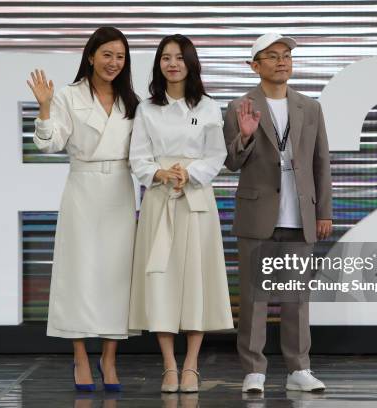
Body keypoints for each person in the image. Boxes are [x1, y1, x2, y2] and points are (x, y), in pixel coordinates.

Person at [26, 26, 140, 392]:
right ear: (91, 56)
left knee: (116, 277)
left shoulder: (132, 101)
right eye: (107, 54)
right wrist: (44, 109)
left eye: (120, 56)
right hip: (83, 190)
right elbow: (49, 144)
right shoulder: (67, 96)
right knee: (79, 274)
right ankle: (79, 356)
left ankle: (108, 358)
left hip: (120, 192)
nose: (113, 62)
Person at [223, 33, 333, 393]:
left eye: (286, 55)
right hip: (258, 215)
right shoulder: (240, 105)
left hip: (300, 215)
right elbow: (232, 162)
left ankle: (298, 368)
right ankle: (254, 370)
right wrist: (245, 135)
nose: (282, 61)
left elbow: (321, 164)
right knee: (254, 297)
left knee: (296, 298)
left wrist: (323, 211)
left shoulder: (309, 107)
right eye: (272, 56)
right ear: (255, 66)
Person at [128, 34, 234, 393]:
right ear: (158, 64)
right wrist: (159, 173)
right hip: (160, 200)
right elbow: (137, 158)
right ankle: (169, 366)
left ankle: (191, 365)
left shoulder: (207, 106)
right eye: (165, 58)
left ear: (191, 63)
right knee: (161, 280)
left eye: (179, 57)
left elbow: (216, 156)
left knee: (196, 280)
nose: (172, 64)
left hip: (196, 202)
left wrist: (190, 174)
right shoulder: (146, 108)